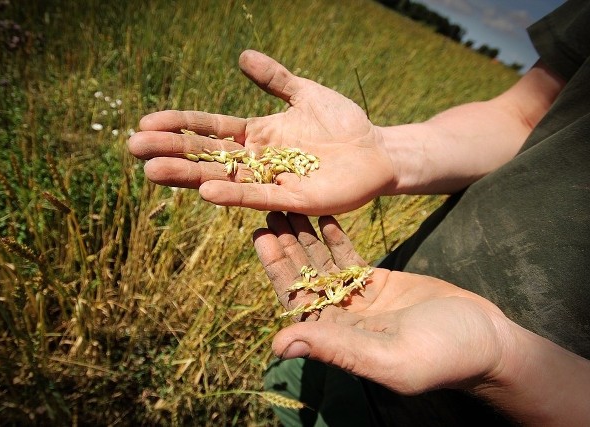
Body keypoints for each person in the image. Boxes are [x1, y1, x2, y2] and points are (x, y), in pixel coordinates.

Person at [128, 0, 590, 425]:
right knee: (288, 397)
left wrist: (506, 363)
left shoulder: (493, 360)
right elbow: (526, 117)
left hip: (466, 402)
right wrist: (386, 151)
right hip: (370, 296)